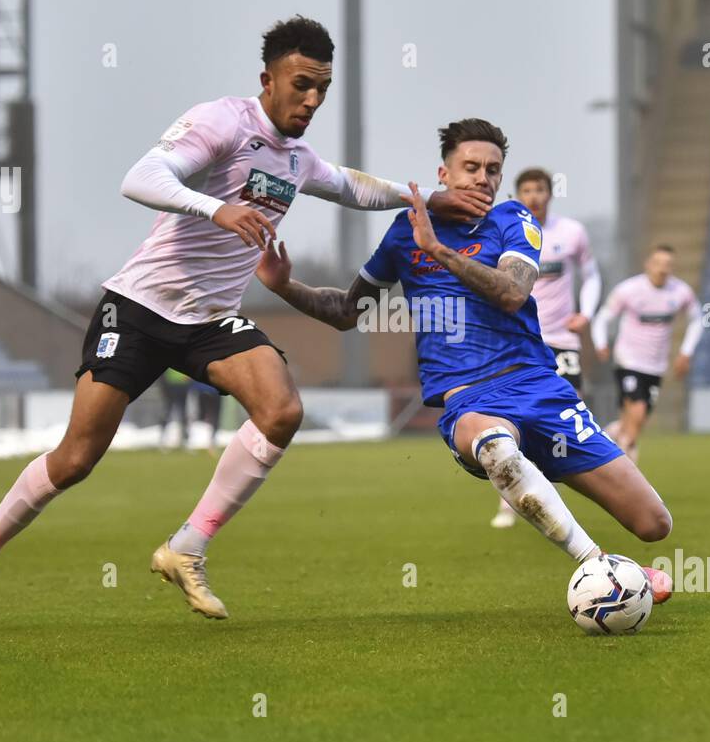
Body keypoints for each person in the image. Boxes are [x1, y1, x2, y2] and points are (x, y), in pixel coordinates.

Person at [0, 15, 488, 632]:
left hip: (209, 320)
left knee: (281, 410)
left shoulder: (298, 159)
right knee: (76, 459)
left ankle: (187, 547)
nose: (312, 100)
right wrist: (217, 208)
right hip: (140, 308)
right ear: (268, 78)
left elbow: (353, 188)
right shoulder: (224, 121)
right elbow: (140, 178)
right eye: (302, 84)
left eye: (322, 90)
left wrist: (428, 200)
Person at [258, 118, 674, 603]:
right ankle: (597, 566)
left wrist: (440, 251)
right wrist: (285, 286)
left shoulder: (513, 219)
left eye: (493, 170)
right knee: (494, 446)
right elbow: (348, 312)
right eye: (471, 167)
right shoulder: (403, 233)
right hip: (470, 401)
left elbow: (512, 293)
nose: (483, 178)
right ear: (444, 173)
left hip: (538, 386)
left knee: (653, 524)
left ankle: (615, 560)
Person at [488, 167, 600, 529]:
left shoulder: (571, 233)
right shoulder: (506, 232)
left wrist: (587, 313)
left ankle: (563, 489)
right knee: (512, 419)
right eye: (527, 190)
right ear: (517, 195)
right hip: (521, 340)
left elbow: (591, 273)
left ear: (550, 194)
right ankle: (510, 499)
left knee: (568, 413)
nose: (534, 196)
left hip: (562, 340)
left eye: (540, 189)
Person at [591, 245, 702, 463]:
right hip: (628, 361)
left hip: (656, 366)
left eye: (668, 264)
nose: (662, 269)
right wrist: (601, 343)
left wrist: (686, 353)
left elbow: (699, 319)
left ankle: (609, 435)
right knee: (638, 411)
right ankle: (624, 464)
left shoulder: (680, 292)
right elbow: (603, 317)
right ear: (648, 265)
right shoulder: (629, 290)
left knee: (635, 421)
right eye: (658, 263)